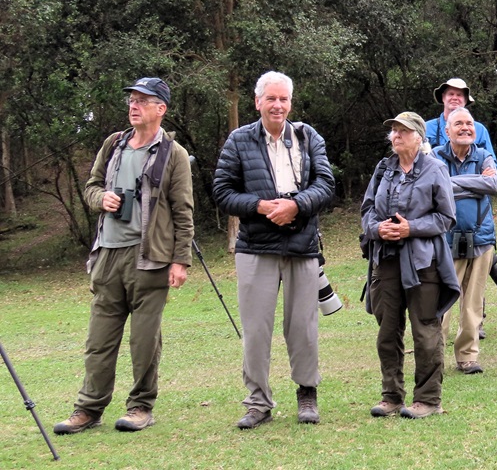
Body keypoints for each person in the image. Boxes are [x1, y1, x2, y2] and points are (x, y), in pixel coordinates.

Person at [54, 77, 194, 434]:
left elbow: (183, 212)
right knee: (99, 341)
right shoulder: (113, 144)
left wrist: (180, 261)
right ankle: (88, 409)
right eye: (132, 99)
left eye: (143, 101)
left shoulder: (173, 154)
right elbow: (90, 187)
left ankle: (140, 407)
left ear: (160, 109)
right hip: (107, 256)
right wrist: (103, 199)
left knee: (144, 341)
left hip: (150, 259)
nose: (133, 105)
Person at [212, 71, 335, 429]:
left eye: (283, 99)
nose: (277, 105)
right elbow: (222, 191)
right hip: (255, 246)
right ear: (258, 102)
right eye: (271, 99)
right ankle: (257, 403)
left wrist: (296, 206)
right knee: (256, 329)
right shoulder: (239, 140)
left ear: (290, 104)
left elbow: (326, 184)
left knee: (303, 326)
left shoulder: (308, 137)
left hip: (302, 245)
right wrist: (263, 207)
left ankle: (307, 394)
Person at [361, 111, 459, 419]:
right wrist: (378, 229)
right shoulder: (382, 169)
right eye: (393, 130)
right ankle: (391, 395)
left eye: (403, 130)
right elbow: (366, 211)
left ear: (419, 137)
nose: (396, 135)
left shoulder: (435, 169)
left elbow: (446, 217)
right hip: (386, 260)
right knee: (387, 331)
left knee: (425, 330)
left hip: (422, 263)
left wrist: (410, 228)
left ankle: (428, 399)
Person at [432, 108, 497, 374]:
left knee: (473, 303)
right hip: (445, 240)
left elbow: (492, 184)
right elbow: (435, 187)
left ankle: (467, 357)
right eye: (458, 123)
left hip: (482, 239)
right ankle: (433, 356)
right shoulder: (435, 156)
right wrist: (474, 183)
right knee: (442, 302)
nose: (465, 128)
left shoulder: (484, 155)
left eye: (469, 123)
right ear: (447, 131)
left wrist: (452, 183)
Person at [426, 78, 496, 160]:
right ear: (443, 97)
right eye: (451, 94)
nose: (455, 98)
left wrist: (488, 170)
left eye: (459, 95)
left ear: (465, 100)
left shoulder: (480, 130)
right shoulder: (426, 128)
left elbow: (491, 162)